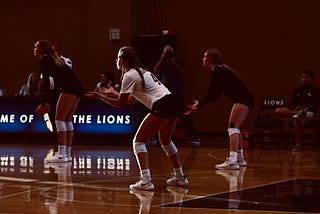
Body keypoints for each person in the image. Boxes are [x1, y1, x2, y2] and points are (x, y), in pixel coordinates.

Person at [86, 46, 188, 190]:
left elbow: (121, 104)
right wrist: (112, 92)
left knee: (138, 141)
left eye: (118, 58)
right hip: (174, 102)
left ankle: (146, 180)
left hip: (163, 105)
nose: (116, 60)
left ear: (124, 60)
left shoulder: (129, 75)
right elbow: (131, 101)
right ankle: (180, 177)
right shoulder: (141, 71)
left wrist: (101, 96)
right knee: (165, 141)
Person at [185, 48, 254, 170]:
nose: (203, 59)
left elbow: (213, 94)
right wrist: (200, 104)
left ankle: (232, 161)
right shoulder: (220, 70)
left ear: (211, 59)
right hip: (247, 100)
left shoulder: (218, 70)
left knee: (232, 128)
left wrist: (199, 105)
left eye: (205, 56)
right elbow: (216, 95)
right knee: (235, 128)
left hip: (243, 100)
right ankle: (240, 158)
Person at [34, 39, 84, 163]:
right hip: (77, 88)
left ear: (41, 49)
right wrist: (47, 103)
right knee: (67, 120)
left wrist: (43, 103)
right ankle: (67, 154)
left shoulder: (44, 60)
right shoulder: (53, 59)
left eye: (36, 47)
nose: (34, 49)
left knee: (59, 119)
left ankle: (61, 154)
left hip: (69, 88)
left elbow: (46, 83)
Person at [154, 45, 200, 146]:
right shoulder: (162, 62)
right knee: (158, 114)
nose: (168, 55)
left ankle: (195, 137)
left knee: (184, 115)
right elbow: (156, 70)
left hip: (177, 92)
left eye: (169, 53)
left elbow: (182, 72)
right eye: (166, 53)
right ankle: (154, 137)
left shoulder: (178, 60)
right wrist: (162, 59)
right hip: (164, 92)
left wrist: (173, 63)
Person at [275, 69, 320, 152]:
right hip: (296, 112)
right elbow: (291, 104)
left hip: (310, 113)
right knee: (278, 110)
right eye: (302, 77)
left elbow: (316, 105)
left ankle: (298, 143)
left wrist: (306, 108)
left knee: (296, 118)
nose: (303, 79)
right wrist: (294, 108)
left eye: (306, 77)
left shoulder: (316, 91)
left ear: (311, 79)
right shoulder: (297, 90)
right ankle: (297, 113)